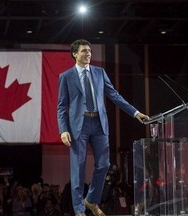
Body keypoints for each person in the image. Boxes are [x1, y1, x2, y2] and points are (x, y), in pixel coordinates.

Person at [57, 39, 150, 216]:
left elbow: (114, 95)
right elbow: (61, 106)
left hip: (99, 124)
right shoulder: (66, 76)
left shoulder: (100, 72)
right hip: (79, 126)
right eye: (84, 51)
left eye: (90, 51)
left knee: (104, 165)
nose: (88, 54)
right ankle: (79, 210)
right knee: (79, 167)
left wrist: (135, 112)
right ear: (74, 54)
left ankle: (91, 200)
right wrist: (63, 129)